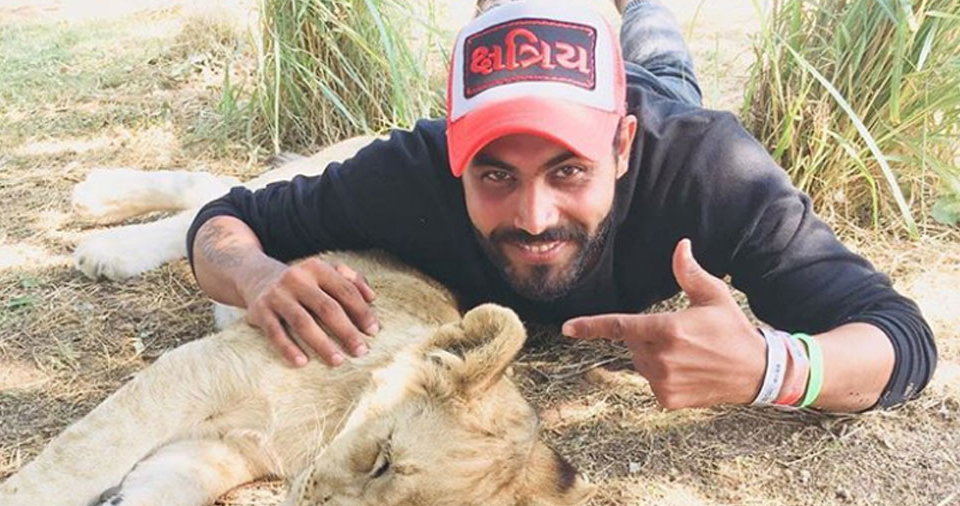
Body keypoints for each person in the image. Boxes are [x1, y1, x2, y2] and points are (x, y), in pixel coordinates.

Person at [186, 0, 936, 413]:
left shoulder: (709, 168)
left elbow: (901, 339)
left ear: (619, 146)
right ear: (456, 158)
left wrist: (773, 367)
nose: (535, 216)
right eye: (496, 175)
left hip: (660, 97)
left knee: (663, 55)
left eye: (568, 168)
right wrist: (254, 275)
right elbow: (223, 219)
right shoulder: (411, 170)